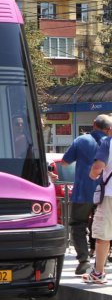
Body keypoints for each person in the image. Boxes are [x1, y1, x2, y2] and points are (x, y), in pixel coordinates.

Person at [61, 114, 110, 275]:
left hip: (84, 191)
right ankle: (103, 260)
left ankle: (84, 261)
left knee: (78, 225)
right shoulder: (109, 143)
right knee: (105, 225)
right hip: (105, 192)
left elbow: (65, 161)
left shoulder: (82, 140)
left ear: (93, 124)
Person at [84, 119, 112, 284]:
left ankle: (98, 273)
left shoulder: (108, 143)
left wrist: (92, 175)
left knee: (103, 235)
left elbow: (97, 168)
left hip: (110, 195)